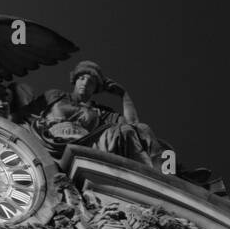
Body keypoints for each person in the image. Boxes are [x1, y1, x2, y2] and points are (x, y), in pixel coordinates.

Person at [28, 60, 157, 165]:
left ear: (95, 88)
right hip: (50, 140)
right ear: (75, 80)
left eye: (91, 82)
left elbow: (133, 125)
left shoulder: (101, 112)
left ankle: (148, 177)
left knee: (136, 130)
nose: (85, 83)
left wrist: (124, 95)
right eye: (82, 78)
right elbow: (26, 114)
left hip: (87, 145)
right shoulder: (55, 95)